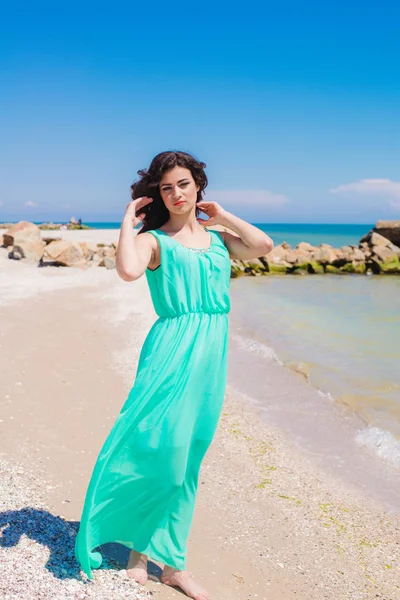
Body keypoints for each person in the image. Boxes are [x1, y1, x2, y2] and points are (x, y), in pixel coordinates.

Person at [74, 150, 273, 600]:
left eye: (184, 184)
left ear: (197, 185)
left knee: (187, 463)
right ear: (157, 195)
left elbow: (263, 247)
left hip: (211, 355)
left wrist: (223, 215)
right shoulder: (154, 240)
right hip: (170, 351)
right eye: (167, 187)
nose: (177, 193)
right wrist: (128, 218)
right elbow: (127, 270)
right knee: (158, 449)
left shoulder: (221, 238)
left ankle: (173, 565)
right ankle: (139, 553)